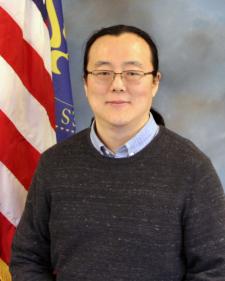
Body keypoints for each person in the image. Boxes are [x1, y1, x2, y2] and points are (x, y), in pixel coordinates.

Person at [10, 25, 225, 280]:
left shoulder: (192, 169)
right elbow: (28, 258)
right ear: (85, 83)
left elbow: (215, 270)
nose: (117, 85)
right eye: (103, 72)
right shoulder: (54, 164)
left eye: (133, 72)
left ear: (155, 81)